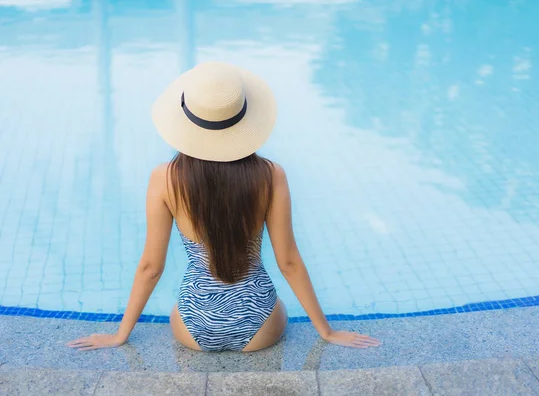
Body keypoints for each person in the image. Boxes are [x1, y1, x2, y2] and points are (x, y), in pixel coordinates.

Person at [67, 62, 380, 352]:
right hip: (261, 325)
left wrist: (121, 334)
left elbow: (151, 267)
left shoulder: (164, 179)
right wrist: (326, 331)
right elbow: (289, 263)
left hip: (193, 324)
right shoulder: (271, 176)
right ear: (244, 119)